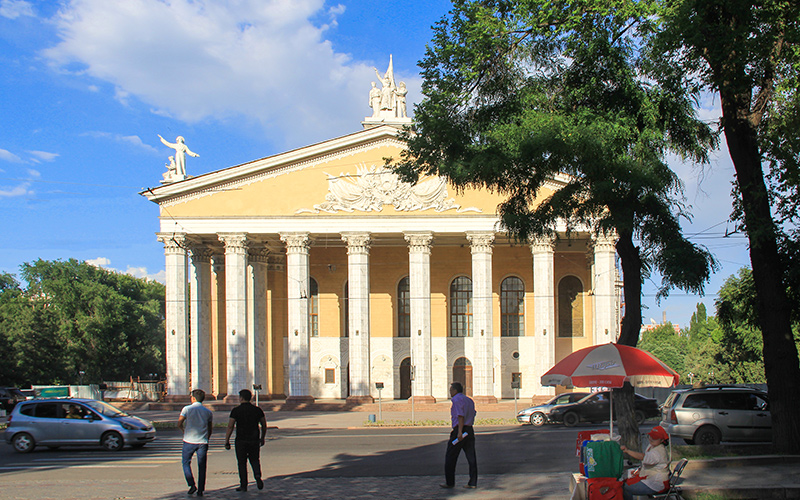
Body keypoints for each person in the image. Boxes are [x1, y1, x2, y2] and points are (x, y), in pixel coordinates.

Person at [225, 389, 267, 492]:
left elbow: (230, 426)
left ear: (241, 398)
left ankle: (243, 485)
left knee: (242, 462)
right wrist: (262, 437)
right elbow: (264, 425)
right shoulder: (257, 410)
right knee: (255, 459)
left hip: (241, 440)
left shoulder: (236, 410)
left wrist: (227, 440)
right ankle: (257, 476)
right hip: (254, 439)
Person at [441, 381, 478, 489]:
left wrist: (459, 433)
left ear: (455, 390)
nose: (450, 392)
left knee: (450, 456)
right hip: (469, 431)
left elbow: (460, 416)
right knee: (471, 458)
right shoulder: (469, 400)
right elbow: (474, 413)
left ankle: (450, 482)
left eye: (451, 390)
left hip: (459, 432)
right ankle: (473, 482)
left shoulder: (456, 400)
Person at [619, 425, 671, 500]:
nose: (652, 439)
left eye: (655, 438)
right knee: (625, 479)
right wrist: (640, 470)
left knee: (625, 487)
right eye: (651, 436)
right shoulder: (652, 446)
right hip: (650, 477)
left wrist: (627, 451)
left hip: (656, 483)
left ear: (662, 440)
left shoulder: (659, 452)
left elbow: (644, 457)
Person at [178, 389, 213, 497]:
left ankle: (192, 484)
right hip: (202, 442)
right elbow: (210, 428)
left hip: (189, 441)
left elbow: (179, 423)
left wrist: (184, 432)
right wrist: (207, 438)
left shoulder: (186, 409)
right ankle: (201, 490)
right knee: (202, 466)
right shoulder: (208, 412)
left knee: (185, 463)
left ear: (193, 398)